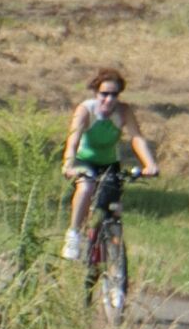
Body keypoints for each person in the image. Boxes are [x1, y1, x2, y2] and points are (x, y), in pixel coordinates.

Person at [62, 64, 156, 261]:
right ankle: (73, 235)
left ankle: (113, 259)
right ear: (96, 92)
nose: (109, 99)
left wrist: (149, 164)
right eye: (104, 94)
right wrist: (68, 165)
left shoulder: (123, 112)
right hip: (85, 161)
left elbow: (136, 137)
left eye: (114, 95)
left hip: (109, 163)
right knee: (86, 189)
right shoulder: (86, 110)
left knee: (114, 210)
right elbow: (73, 140)